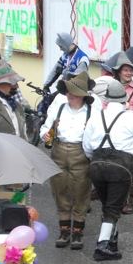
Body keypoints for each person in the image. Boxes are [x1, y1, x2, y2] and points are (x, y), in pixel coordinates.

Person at [83, 79, 133, 261]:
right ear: (123, 100)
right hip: (120, 166)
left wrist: (95, 159)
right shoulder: (129, 117)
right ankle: (102, 245)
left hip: (96, 164)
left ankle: (111, 239)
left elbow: (87, 145)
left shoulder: (96, 116)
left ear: (107, 100)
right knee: (113, 207)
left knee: (107, 204)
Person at [40, 72, 94, 249]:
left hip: (81, 153)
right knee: (59, 190)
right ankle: (64, 231)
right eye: (68, 92)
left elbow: (96, 136)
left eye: (73, 92)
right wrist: (45, 133)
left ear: (82, 95)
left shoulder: (92, 113)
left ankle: (77, 232)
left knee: (81, 192)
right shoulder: (59, 108)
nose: (69, 95)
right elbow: (45, 127)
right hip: (59, 151)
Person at [106, 50, 133, 215]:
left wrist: (129, 109)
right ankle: (117, 198)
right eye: (125, 70)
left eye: (131, 70)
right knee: (117, 167)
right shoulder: (111, 88)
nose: (129, 73)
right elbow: (105, 107)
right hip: (116, 135)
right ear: (119, 72)